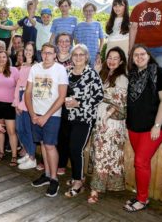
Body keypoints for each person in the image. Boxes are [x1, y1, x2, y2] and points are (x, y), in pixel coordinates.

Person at [123, 44, 162, 212]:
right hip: (134, 127)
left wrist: (157, 125)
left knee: (140, 162)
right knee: (142, 163)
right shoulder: (133, 75)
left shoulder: (159, 72)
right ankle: (141, 196)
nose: (139, 57)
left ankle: (142, 200)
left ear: (148, 55)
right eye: (135, 55)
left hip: (153, 127)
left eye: (142, 54)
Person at [26, 43, 68, 197]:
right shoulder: (35, 68)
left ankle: (54, 179)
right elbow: (28, 92)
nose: (46, 55)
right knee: (43, 144)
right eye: (44, 53)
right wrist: (32, 114)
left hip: (52, 115)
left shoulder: (60, 69)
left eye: (50, 53)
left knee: (50, 145)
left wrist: (46, 116)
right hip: (36, 113)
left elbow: (62, 97)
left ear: (55, 55)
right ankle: (47, 174)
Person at [88, 47, 128, 204]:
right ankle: (99, 186)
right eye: (109, 57)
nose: (111, 60)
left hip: (111, 122)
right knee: (99, 153)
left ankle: (95, 190)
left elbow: (119, 102)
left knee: (103, 154)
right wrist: (96, 72)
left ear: (121, 61)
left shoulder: (122, 78)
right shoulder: (104, 74)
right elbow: (92, 92)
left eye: (115, 58)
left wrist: (106, 118)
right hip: (99, 119)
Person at [65, 44, 104, 198]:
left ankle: (78, 182)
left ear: (87, 57)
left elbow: (99, 97)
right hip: (67, 117)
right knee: (70, 148)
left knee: (76, 149)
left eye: (82, 54)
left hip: (84, 118)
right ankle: (78, 176)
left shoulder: (92, 74)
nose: (78, 57)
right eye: (75, 54)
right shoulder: (67, 73)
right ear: (71, 57)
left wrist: (79, 103)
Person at [13, 42, 37, 169]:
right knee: (19, 128)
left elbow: (31, 88)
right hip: (20, 96)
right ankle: (28, 152)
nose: (28, 52)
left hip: (29, 98)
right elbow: (18, 84)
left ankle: (32, 157)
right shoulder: (22, 65)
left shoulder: (36, 67)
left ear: (34, 52)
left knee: (28, 130)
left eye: (30, 50)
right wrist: (16, 102)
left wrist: (23, 103)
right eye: (26, 49)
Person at [55, 32, 73, 176]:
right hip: (52, 99)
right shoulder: (52, 59)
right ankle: (49, 159)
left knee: (64, 132)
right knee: (52, 130)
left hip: (67, 100)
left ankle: (61, 162)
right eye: (61, 41)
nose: (64, 43)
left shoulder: (75, 59)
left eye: (67, 41)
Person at [73, 3, 104, 68]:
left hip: (94, 55)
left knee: (94, 74)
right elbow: (75, 40)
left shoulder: (97, 25)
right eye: (86, 11)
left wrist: (99, 52)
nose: (88, 12)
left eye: (90, 11)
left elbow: (102, 39)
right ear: (83, 12)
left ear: (94, 12)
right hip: (82, 56)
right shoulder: (79, 26)